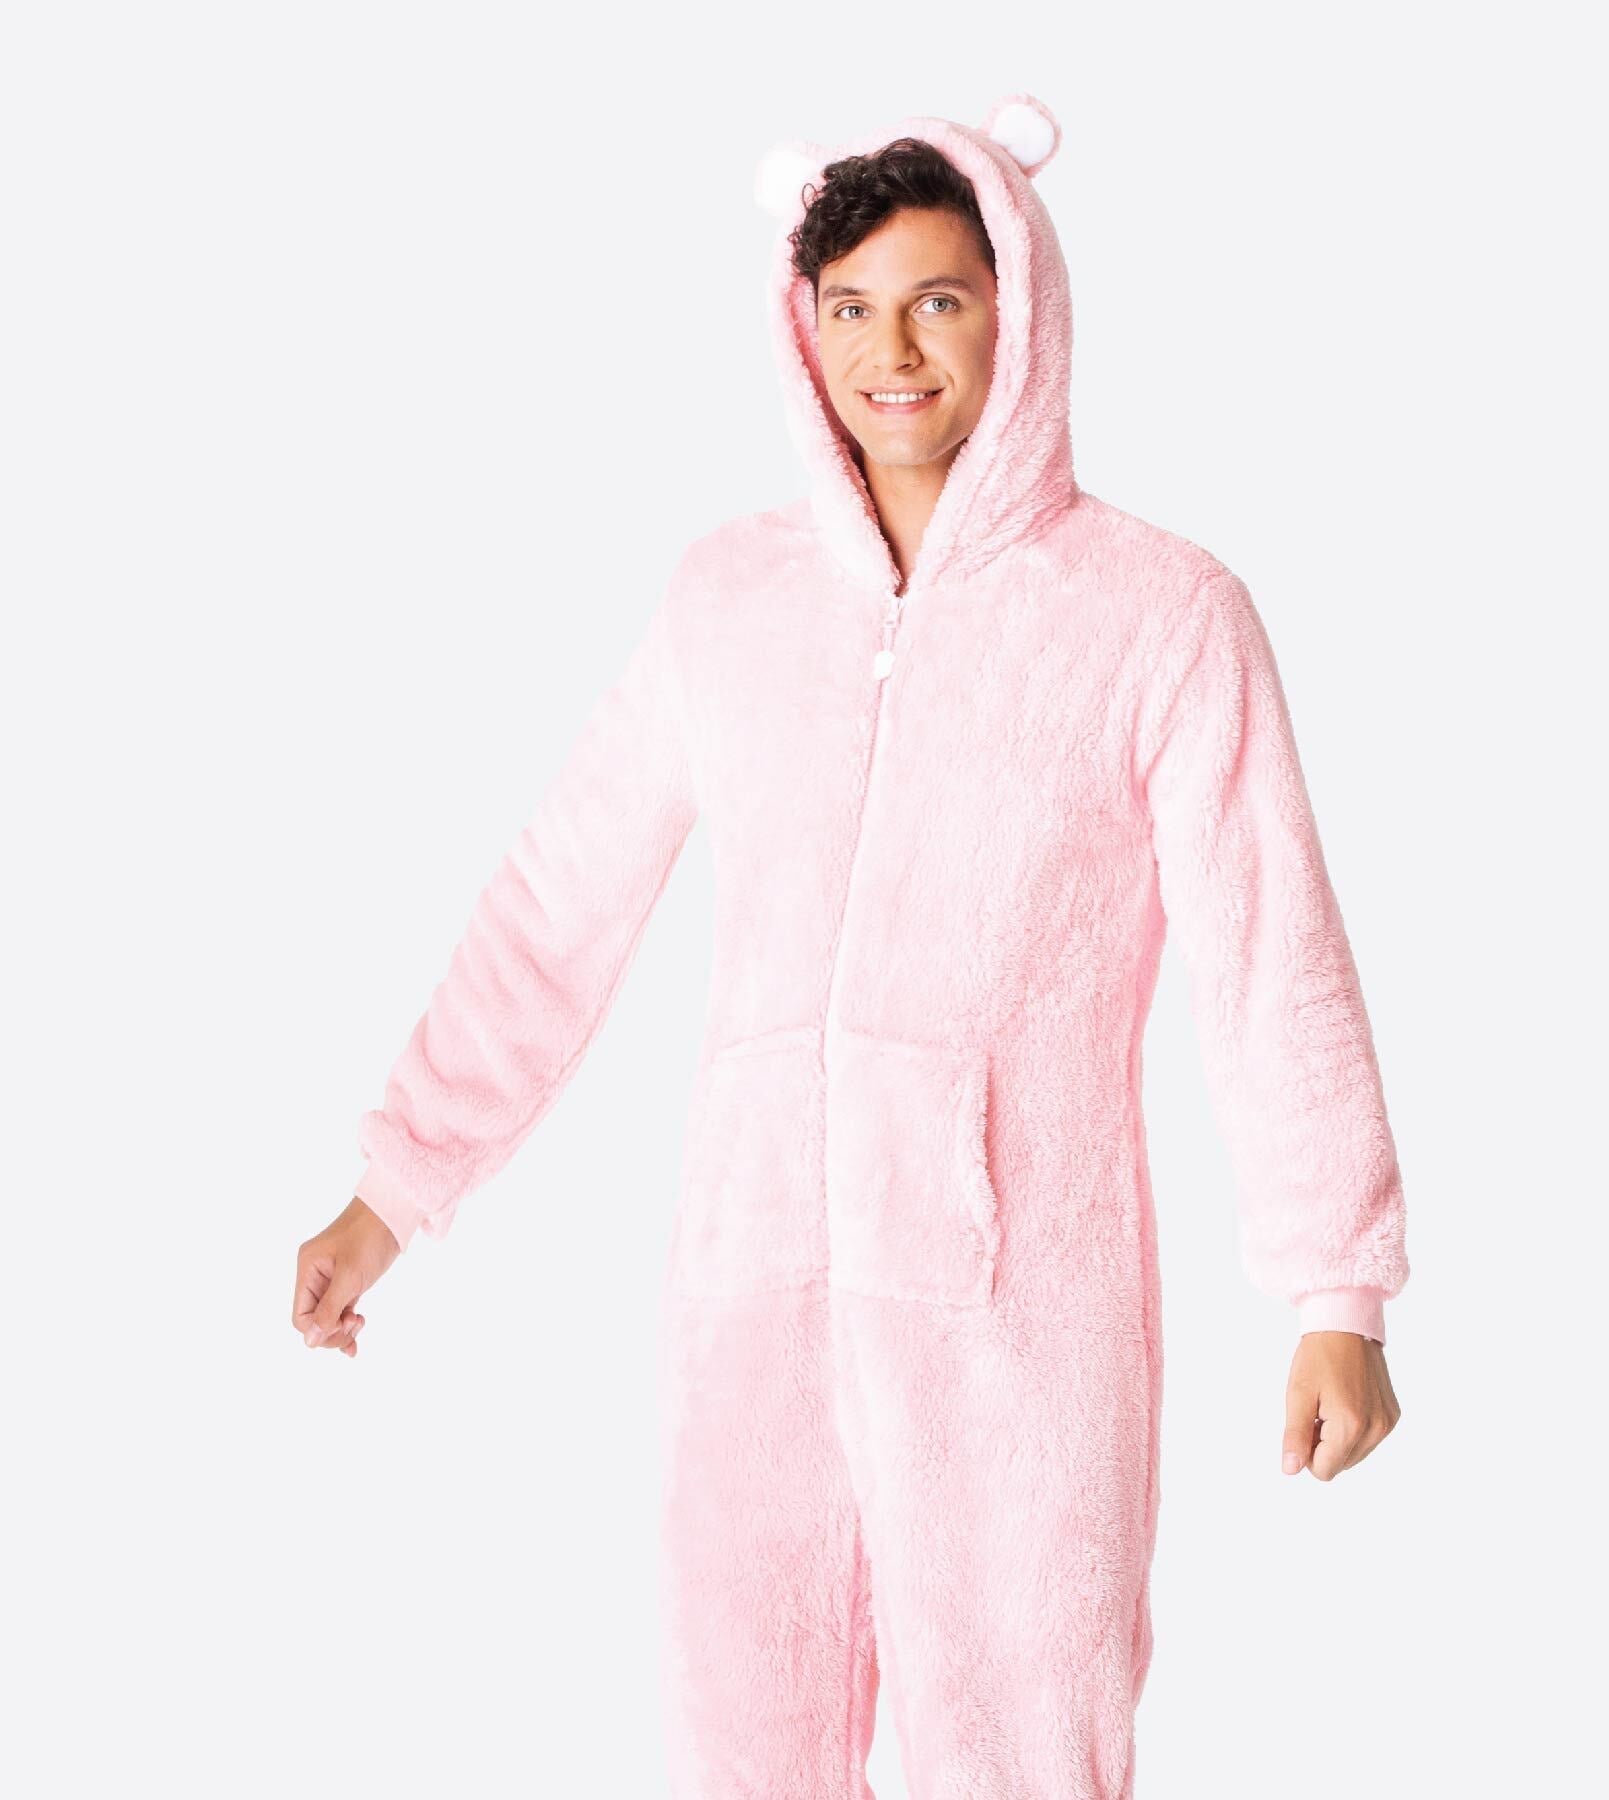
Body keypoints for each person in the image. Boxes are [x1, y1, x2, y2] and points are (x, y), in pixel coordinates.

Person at [294, 93, 1409, 1799]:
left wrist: (1337, 1289)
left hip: (1019, 1317)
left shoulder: (1159, 615)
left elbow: (1272, 956)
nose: (893, 351)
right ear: (802, 328)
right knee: (745, 1747)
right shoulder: (726, 600)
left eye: (938, 300)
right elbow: (559, 900)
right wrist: (395, 1190)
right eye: (852, 308)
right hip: (748, 1298)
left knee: (1027, 1751)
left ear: (1018, 311)